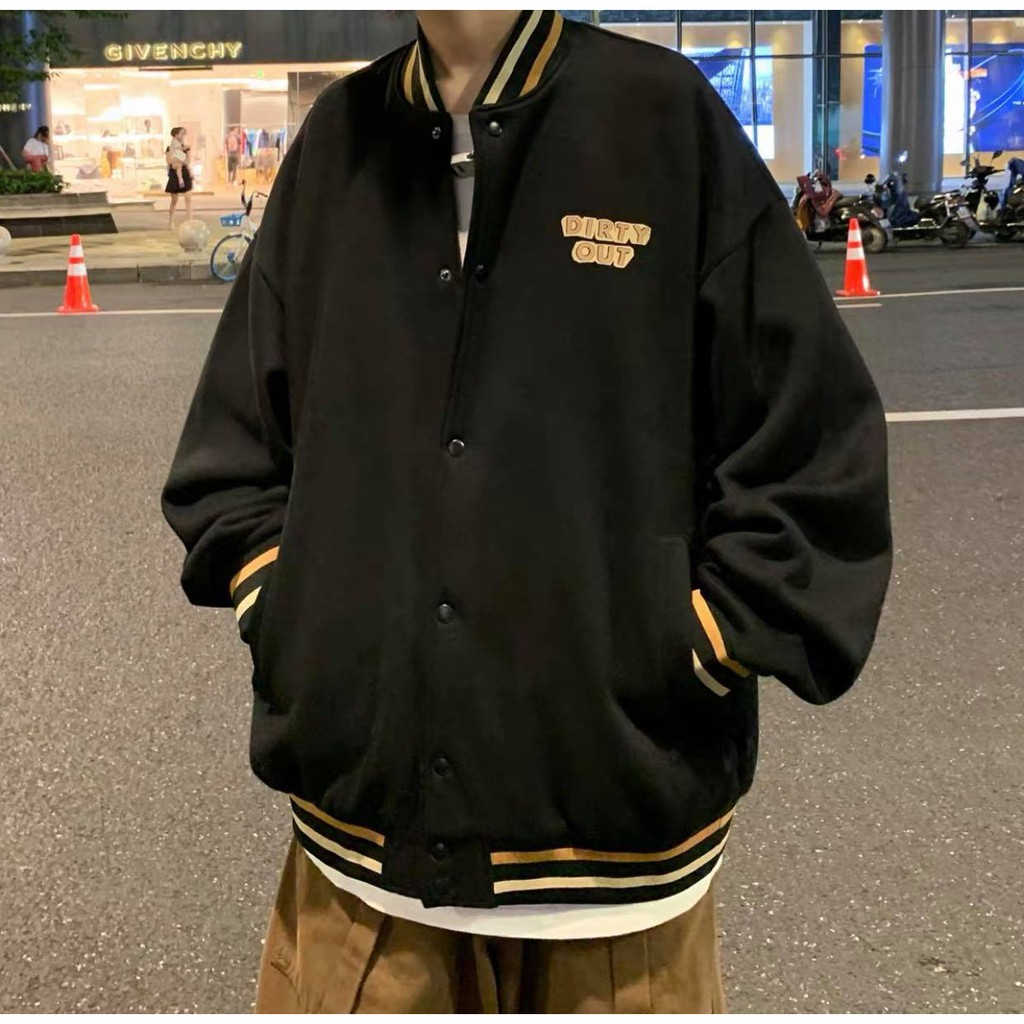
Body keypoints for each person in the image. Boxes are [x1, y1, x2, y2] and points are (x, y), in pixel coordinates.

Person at [161, 10, 892, 1013]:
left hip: (616, 868)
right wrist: (294, 617)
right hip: (360, 854)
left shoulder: (659, 118)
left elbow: (813, 444)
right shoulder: (338, 140)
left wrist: (691, 646)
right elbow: (236, 445)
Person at [165, 126, 193, 230]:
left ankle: (189, 221)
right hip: (174, 173)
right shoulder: (170, 148)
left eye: (184, 134)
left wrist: (185, 154)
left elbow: (187, 161)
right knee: (174, 200)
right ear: (176, 135)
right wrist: (180, 156)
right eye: (181, 134)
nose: (183, 136)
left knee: (188, 198)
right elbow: (169, 161)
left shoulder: (185, 148)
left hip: (184, 172)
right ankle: (170, 223)